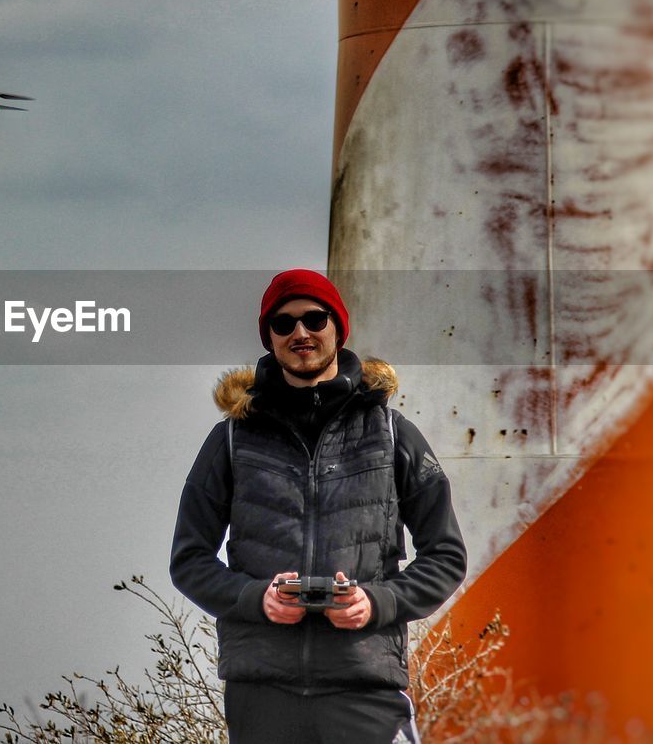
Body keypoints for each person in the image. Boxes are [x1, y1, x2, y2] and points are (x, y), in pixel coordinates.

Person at [169, 269, 467, 743]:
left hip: (365, 684)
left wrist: (376, 602)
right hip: (261, 690)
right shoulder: (230, 438)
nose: (301, 333)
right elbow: (188, 560)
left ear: (337, 327)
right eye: (284, 324)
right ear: (269, 337)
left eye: (314, 318)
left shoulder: (392, 434)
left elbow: (447, 555)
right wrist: (256, 599)